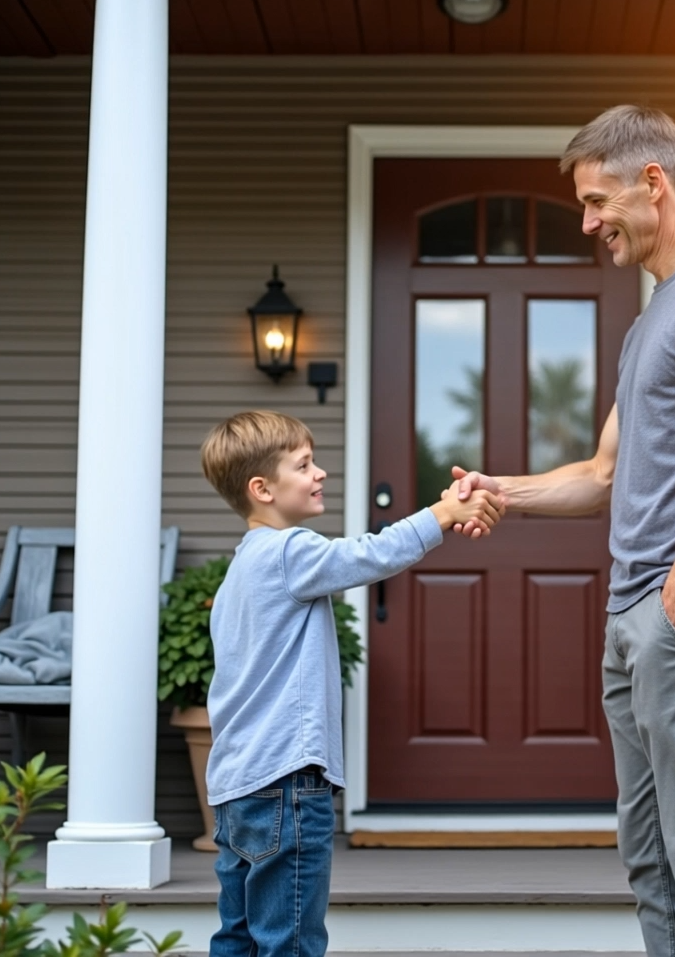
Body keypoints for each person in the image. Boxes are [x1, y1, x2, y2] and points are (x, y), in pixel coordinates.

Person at [451, 105, 675, 957]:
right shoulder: (651, 323)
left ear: (654, 182)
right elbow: (601, 474)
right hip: (637, 615)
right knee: (653, 861)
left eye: (599, 202)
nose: (591, 222)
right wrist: (504, 490)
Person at [198, 409, 504, 957]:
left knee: (238, 938)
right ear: (262, 488)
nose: (320, 474)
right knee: (289, 942)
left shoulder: (237, 573)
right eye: (304, 465)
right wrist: (441, 512)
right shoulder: (290, 550)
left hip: (234, 787)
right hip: (286, 780)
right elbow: (369, 554)